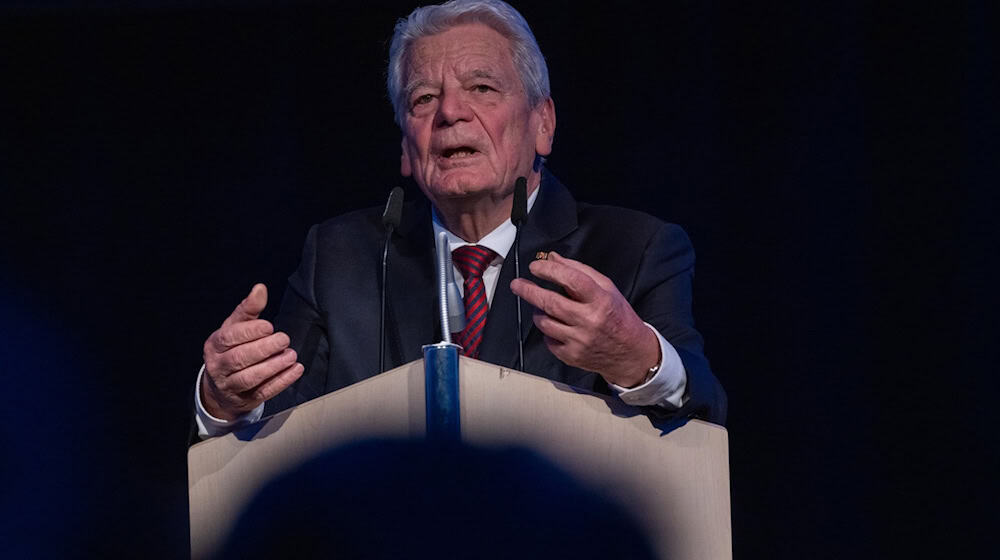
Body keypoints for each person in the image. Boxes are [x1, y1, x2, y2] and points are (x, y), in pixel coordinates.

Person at [193, 0, 726, 438]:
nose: (450, 112)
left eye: (482, 88)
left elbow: (701, 414)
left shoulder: (634, 247)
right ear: (406, 147)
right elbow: (274, 431)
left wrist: (639, 360)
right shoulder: (341, 256)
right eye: (423, 98)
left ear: (543, 124)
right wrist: (225, 399)